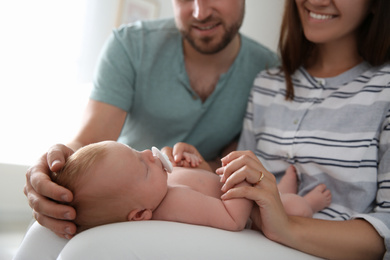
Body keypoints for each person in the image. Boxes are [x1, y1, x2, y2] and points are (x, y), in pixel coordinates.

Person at [23, 0, 278, 239]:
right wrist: (58, 173)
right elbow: (90, 142)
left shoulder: (270, 73)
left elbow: (236, 158)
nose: (200, 12)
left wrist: (201, 166)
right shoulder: (131, 45)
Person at [217, 0, 390, 259]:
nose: (317, 1)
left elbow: (387, 226)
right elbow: (236, 185)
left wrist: (286, 227)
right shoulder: (266, 84)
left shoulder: (385, 90)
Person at [52, 141, 330, 234]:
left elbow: (200, 182)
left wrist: (189, 162)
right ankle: (308, 202)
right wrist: (244, 179)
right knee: (294, 207)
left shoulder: (153, 191)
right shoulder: (173, 206)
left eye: (137, 151)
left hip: (228, 188)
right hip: (252, 211)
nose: (150, 154)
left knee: (278, 193)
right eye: (144, 166)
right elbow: (232, 219)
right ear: (139, 215)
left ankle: (280, 188)